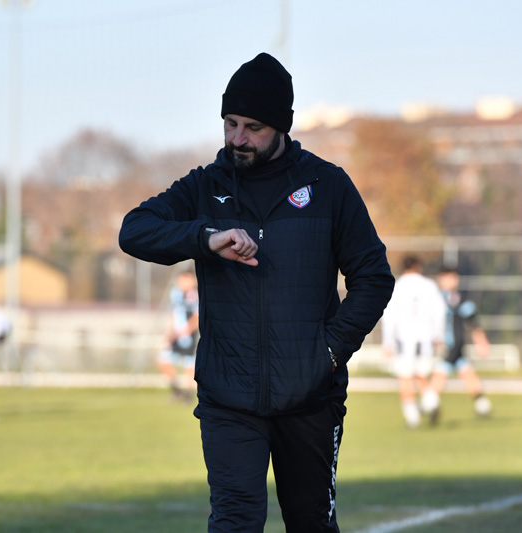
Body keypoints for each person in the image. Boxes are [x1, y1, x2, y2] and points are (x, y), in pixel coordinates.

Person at [118, 52, 394, 532]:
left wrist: (329, 351)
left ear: (281, 126)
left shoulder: (328, 185)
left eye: (253, 127)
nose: (237, 139)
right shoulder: (204, 186)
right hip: (228, 396)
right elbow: (134, 230)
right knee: (235, 522)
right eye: (230, 124)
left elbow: (374, 277)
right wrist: (205, 238)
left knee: (311, 523)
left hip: (311, 396)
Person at [381, 256, 445, 428]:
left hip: (404, 339)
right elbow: (439, 313)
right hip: (425, 339)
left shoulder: (396, 286)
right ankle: (431, 402)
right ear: (418, 266)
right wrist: (438, 336)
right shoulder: (429, 286)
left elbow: (389, 317)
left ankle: (413, 418)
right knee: (421, 376)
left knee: (405, 379)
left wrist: (387, 342)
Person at [430, 266, 493, 418]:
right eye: (447, 277)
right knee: (463, 373)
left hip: (454, 344)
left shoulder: (456, 299)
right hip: (444, 344)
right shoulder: (434, 299)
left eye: (453, 277)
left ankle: (429, 405)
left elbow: (472, 320)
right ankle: (482, 405)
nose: (451, 281)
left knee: (451, 373)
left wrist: (481, 341)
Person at [156, 271, 200, 402]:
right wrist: (168, 333)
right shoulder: (175, 294)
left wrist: (186, 331)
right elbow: (172, 315)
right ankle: (177, 390)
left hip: (188, 337)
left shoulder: (195, 296)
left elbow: (197, 317)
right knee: (162, 360)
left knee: (189, 366)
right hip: (174, 336)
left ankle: (188, 395)